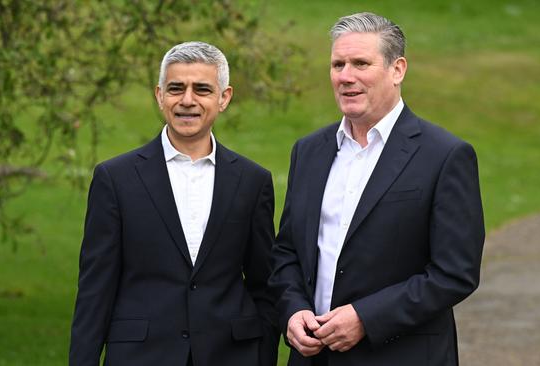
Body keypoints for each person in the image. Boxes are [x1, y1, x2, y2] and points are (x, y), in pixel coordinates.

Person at [269, 12, 485, 366]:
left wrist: (366, 319)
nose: (346, 77)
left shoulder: (445, 155)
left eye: (360, 63)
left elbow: (454, 273)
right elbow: (288, 252)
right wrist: (292, 311)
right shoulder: (308, 151)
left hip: (402, 355)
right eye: (337, 64)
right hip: (312, 358)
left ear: (397, 69)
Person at [69, 41, 278, 366]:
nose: (187, 100)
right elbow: (95, 289)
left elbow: (264, 285)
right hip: (140, 356)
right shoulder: (116, 179)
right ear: (159, 95)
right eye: (176, 88)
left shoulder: (253, 181)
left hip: (231, 355)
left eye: (202, 89)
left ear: (224, 98)